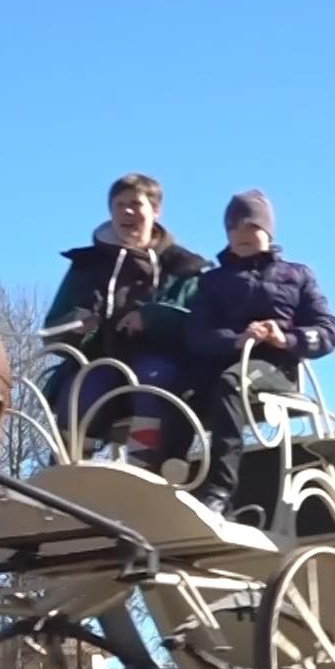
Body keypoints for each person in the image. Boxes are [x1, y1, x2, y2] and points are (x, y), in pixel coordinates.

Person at [173, 188, 335, 514]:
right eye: (233, 227)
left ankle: (220, 492)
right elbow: (196, 334)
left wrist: (286, 339)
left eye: (251, 226)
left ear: (267, 231)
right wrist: (235, 339)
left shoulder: (298, 276)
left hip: (275, 369)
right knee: (174, 394)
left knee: (233, 384)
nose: (241, 234)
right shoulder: (212, 281)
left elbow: (328, 333)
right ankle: (166, 482)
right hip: (218, 367)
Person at [36, 172, 208, 470]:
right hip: (100, 358)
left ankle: (145, 472)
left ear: (155, 211)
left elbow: (198, 324)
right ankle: (62, 477)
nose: (127, 212)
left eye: (136, 204)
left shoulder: (184, 266)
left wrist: (152, 319)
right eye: (120, 204)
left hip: (161, 362)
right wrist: (78, 325)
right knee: (85, 388)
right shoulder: (88, 266)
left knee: (153, 381)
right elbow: (53, 329)